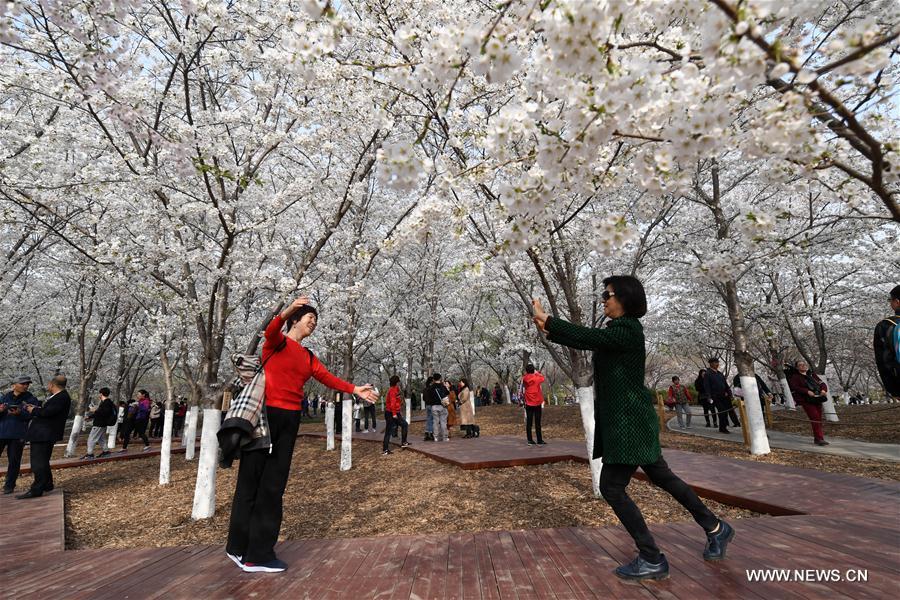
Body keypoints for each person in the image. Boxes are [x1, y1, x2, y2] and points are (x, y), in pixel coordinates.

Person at [532, 275, 733, 581]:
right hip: (631, 420)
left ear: (624, 299)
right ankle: (715, 527)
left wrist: (550, 323)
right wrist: (549, 328)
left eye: (607, 294)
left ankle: (652, 557)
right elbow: (590, 340)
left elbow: (589, 339)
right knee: (663, 477)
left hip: (629, 424)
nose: (603, 300)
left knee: (612, 487)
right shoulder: (619, 331)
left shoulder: (627, 330)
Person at [225, 296, 376, 573]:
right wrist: (287, 310)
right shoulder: (277, 342)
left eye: (316, 320)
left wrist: (355, 390)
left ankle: (256, 552)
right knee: (250, 480)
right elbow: (270, 331)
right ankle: (242, 550)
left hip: (290, 419)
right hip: (265, 415)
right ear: (296, 319)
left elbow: (327, 377)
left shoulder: (308, 356)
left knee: (273, 485)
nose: (313, 322)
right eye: (310, 317)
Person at [18, 375, 72, 499]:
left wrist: (34, 410)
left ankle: (37, 489)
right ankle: (47, 484)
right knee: (43, 461)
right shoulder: (60, 397)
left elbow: (49, 412)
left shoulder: (61, 397)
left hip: (44, 433)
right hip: (44, 433)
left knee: (38, 463)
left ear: (51, 384)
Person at [0, 375, 39, 494]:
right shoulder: (4, 397)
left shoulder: (31, 399)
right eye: (23, 383)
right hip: (1, 432)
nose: (25, 386)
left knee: (14, 460)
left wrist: (19, 413)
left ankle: (9, 485)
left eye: (27, 384)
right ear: (14, 385)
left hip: (18, 434)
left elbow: (33, 415)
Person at [788, 359, 829, 446]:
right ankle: (819, 439)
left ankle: (818, 438)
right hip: (806, 400)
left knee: (818, 419)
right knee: (815, 418)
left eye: (804, 364)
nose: (803, 366)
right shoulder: (795, 377)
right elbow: (795, 387)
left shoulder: (812, 375)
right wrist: (806, 391)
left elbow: (822, 384)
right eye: (800, 365)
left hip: (817, 399)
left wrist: (823, 390)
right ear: (797, 367)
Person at [874, 285, 900, 400]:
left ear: (897, 302)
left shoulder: (885, 325)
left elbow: (883, 361)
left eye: (891, 300)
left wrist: (894, 390)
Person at [704, 358, 739, 433]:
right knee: (722, 411)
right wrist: (709, 397)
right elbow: (707, 386)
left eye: (717, 362)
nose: (717, 364)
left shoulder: (720, 373)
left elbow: (725, 384)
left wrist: (729, 393)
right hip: (716, 396)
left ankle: (724, 426)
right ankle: (722, 428)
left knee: (727, 411)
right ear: (711, 363)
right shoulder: (708, 374)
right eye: (715, 362)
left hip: (725, 395)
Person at [82, 387, 116, 459]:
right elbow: (100, 413)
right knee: (101, 439)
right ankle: (106, 452)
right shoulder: (105, 402)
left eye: (99, 393)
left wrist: (94, 410)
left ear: (101, 394)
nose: (98, 395)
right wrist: (90, 417)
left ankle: (90, 454)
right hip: (102, 424)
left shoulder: (106, 403)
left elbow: (104, 413)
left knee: (91, 438)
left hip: (99, 424)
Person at [382, 376, 410, 455]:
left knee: (404, 425)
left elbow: (397, 400)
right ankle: (385, 450)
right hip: (391, 413)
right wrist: (394, 414)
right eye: (398, 381)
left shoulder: (396, 389)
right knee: (389, 431)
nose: (399, 382)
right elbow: (392, 403)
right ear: (396, 382)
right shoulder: (392, 391)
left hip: (395, 412)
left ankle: (403, 442)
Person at [522, 364, 546, 445]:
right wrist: (537, 373)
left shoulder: (524, 378)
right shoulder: (536, 378)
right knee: (537, 421)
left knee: (529, 421)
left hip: (528, 401)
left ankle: (530, 440)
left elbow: (525, 382)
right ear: (533, 370)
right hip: (537, 401)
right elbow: (543, 378)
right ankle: (539, 440)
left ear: (526, 371)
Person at [427, 374, 450, 442]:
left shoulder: (431, 387)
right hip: (443, 406)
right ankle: (445, 437)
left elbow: (429, 397)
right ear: (440, 378)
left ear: (433, 379)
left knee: (435, 422)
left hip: (434, 406)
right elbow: (447, 393)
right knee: (443, 422)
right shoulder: (443, 386)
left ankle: (435, 437)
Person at [423, 374, 438, 441]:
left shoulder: (425, 389)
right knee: (432, 419)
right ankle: (431, 433)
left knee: (428, 419)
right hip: (432, 405)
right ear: (432, 381)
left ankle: (427, 432)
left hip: (427, 405)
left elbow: (423, 398)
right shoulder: (432, 388)